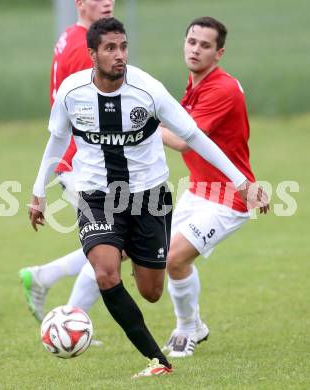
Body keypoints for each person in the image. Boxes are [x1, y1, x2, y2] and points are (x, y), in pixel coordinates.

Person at [28, 17, 266, 377]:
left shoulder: (148, 90)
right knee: (106, 272)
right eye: (110, 48)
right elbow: (57, 141)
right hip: (98, 196)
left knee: (151, 290)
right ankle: (158, 359)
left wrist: (242, 181)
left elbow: (195, 138)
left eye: (123, 46)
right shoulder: (72, 92)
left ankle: (183, 325)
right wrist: (37, 193)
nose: (120, 54)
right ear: (92, 54)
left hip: (150, 197)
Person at [160, 16, 269, 358]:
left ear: (218, 53)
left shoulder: (221, 88)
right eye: (192, 42)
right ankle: (195, 325)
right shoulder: (194, 84)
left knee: (174, 259)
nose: (195, 49)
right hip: (198, 190)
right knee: (162, 257)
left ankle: (187, 328)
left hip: (229, 199)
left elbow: (181, 141)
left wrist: (138, 126)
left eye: (205, 45)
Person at [19, 0, 115, 328]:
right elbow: (88, 111)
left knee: (116, 241)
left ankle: (45, 279)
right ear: (79, 3)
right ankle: (68, 320)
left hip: (78, 161)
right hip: (80, 162)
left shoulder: (73, 35)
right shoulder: (82, 46)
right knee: (112, 243)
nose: (107, 2)